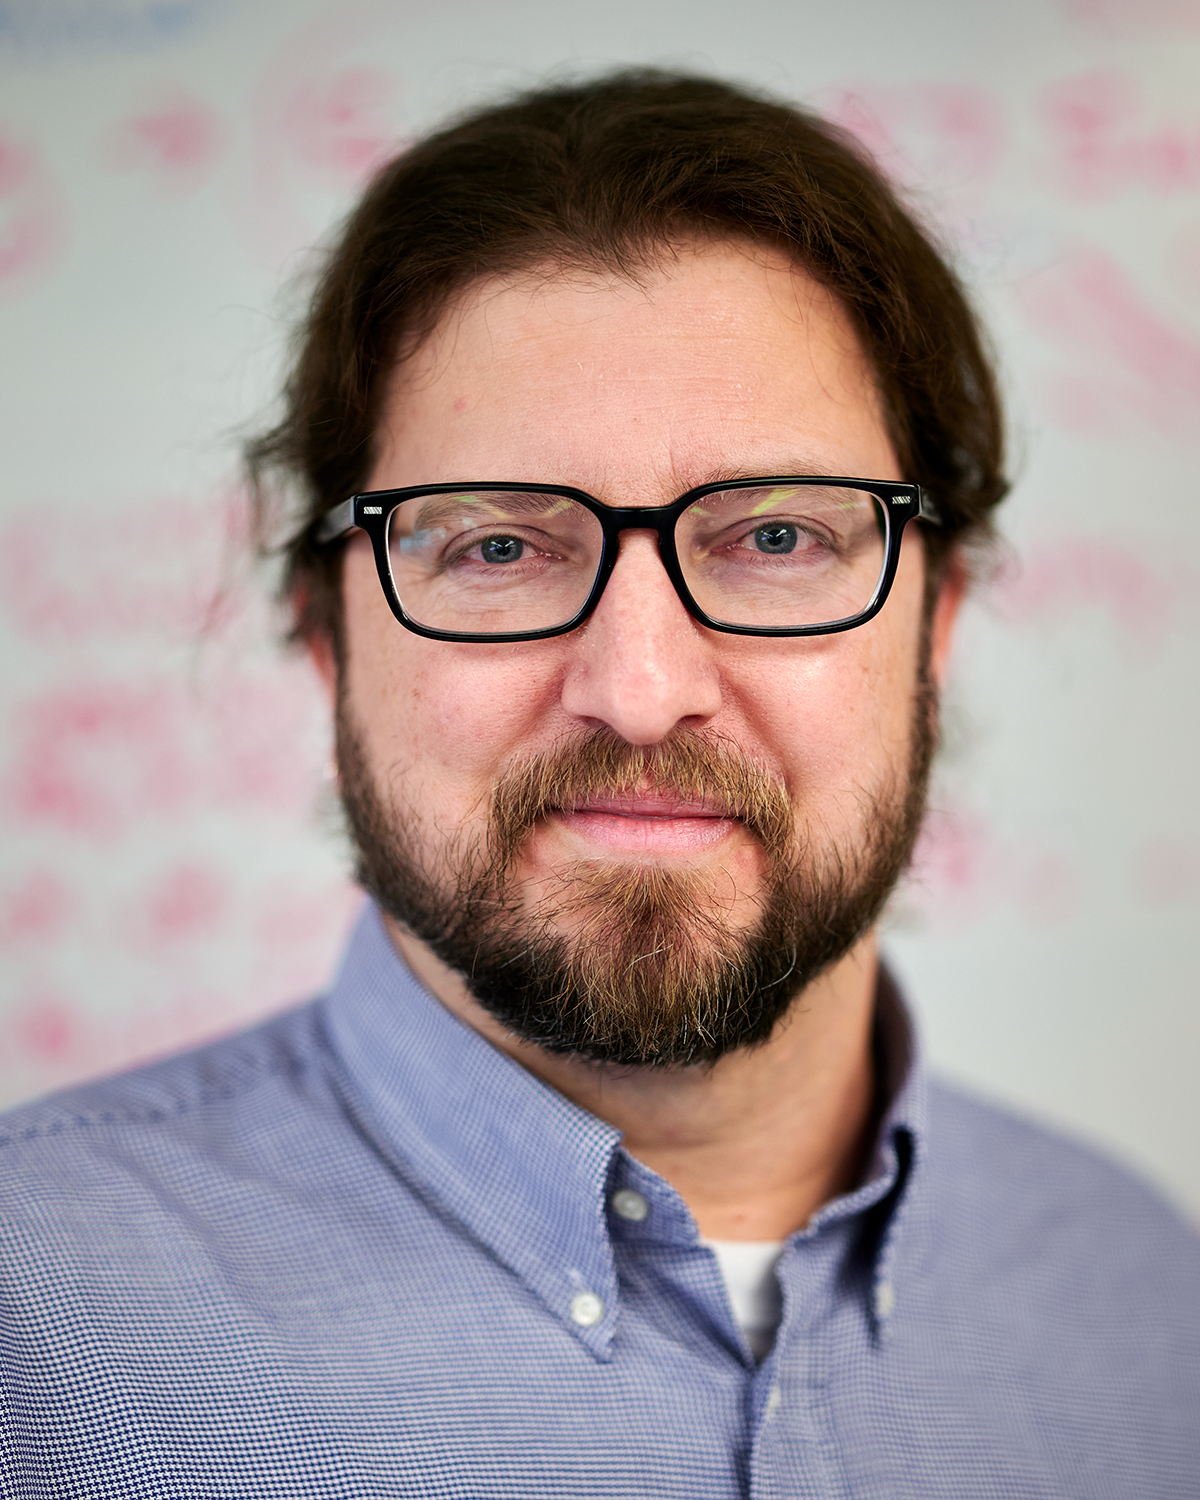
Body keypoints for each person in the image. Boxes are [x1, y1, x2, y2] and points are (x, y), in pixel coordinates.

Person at [1, 70, 1197, 1499]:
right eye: (496, 549)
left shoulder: (1146, 1304)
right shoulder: (37, 1340)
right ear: (326, 632)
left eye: (775, 537)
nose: (639, 689)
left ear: (935, 623)